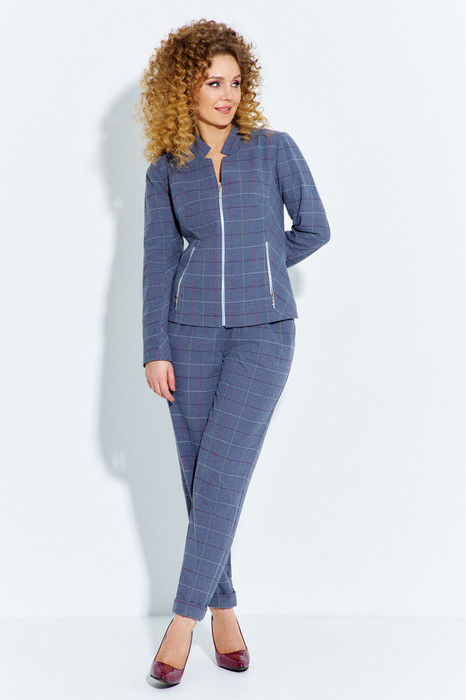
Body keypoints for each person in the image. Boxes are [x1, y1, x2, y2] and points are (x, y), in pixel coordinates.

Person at [136, 18, 331, 688]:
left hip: (264, 332)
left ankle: (182, 621)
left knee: (223, 472)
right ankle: (224, 610)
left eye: (235, 82)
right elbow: (157, 264)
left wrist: (263, 266)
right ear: (184, 89)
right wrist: (155, 348)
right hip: (188, 337)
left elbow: (315, 227)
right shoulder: (166, 170)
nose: (226, 94)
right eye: (213, 82)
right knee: (201, 479)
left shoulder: (274, 150)